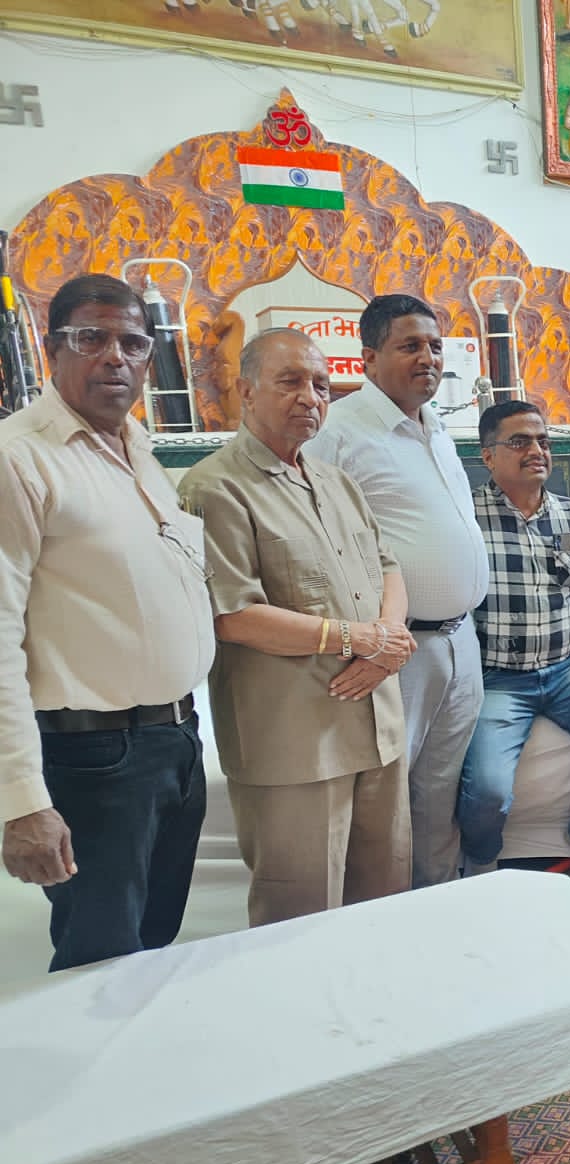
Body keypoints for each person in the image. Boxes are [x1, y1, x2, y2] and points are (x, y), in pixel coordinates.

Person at [0, 273, 214, 971]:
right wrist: (21, 800)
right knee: (99, 962)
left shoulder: (138, 449)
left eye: (132, 343)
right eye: (91, 338)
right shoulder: (19, 457)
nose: (115, 357)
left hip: (175, 740)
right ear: (52, 349)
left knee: (152, 945)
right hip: (94, 756)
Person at [179, 330, 413, 926]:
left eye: (321, 385)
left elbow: (388, 566)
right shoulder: (214, 487)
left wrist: (385, 643)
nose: (310, 397)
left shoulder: (337, 482)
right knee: (300, 915)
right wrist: (357, 639)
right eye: (290, 382)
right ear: (245, 391)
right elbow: (232, 615)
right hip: (295, 740)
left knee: (383, 896)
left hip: (376, 723)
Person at [307, 294, 489, 888]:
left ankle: (436, 897)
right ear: (368, 358)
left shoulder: (437, 427)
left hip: (460, 641)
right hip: (396, 648)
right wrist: (361, 642)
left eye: (434, 346)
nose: (428, 358)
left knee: (440, 788)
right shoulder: (338, 432)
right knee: (386, 792)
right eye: (409, 346)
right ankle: (383, 909)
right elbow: (317, 547)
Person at [457, 401, 570, 887]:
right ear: (488, 456)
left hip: (566, 669)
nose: (536, 451)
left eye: (543, 441)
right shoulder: (465, 518)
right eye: (519, 441)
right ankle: (481, 863)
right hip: (497, 678)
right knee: (489, 790)